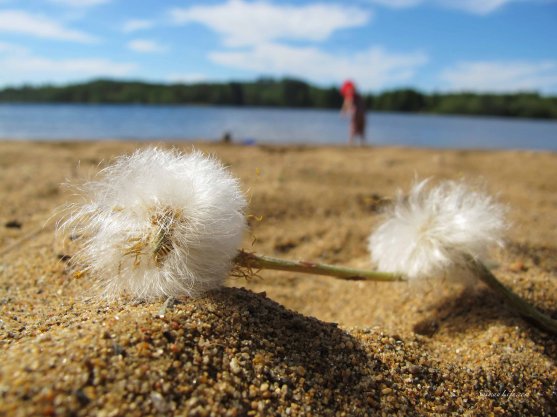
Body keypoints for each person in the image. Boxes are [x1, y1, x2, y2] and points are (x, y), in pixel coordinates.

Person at [340, 80, 366, 146]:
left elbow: (347, 103)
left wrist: (343, 111)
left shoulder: (351, 96)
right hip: (362, 114)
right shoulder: (358, 95)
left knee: (353, 128)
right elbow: (362, 105)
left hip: (356, 114)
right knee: (361, 129)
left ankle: (351, 143)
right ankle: (362, 143)